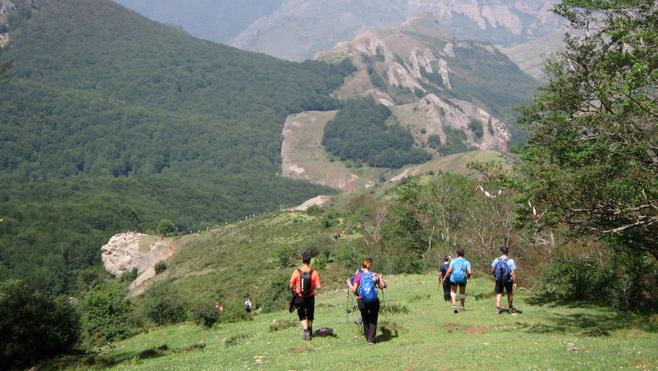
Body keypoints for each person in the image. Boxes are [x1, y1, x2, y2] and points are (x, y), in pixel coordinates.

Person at [350, 257, 386, 345]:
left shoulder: (358, 276)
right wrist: (380, 278)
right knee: (373, 319)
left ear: (362, 266)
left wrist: (348, 284)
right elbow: (381, 287)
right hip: (373, 300)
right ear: (370, 266)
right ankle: (371, 339)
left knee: (365, 319)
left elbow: (354, 290)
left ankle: (368, 338)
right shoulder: (374, 275)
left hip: (362, 300)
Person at [289, 252, 321, 340]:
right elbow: (318, 287)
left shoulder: (297, 272)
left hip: (300, 297)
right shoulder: (314, 272)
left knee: (302, 314)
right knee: (310, 315)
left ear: (302, 260)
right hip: (310, 297)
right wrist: (312, 286)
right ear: (310, 261)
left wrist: (293, 291)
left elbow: (291, 284)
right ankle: (310, 330)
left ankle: (306, 331)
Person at [491, 245, 517, 314]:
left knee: (499, 293)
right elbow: (513, 272)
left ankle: (497, 308)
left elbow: (492, 270)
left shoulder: (497, 260)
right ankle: (510, 308)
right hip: (508, 280)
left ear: (501, 252)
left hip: (499, 279)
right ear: (507, 252)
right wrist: (514, 282)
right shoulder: (511, 261)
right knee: (510, 293)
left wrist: (496, 276)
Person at [445, 248, 472, 313]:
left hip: (454, 278)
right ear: (463, 254)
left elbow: (449, 271)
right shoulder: (466, 262)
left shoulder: (453, 261)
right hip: (463, 278)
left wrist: (445, 277)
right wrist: (467, 277)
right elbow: (470, 272)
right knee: (462, 293)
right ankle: (462, 307)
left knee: (453, 292)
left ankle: (454, 306)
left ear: (457, 254)